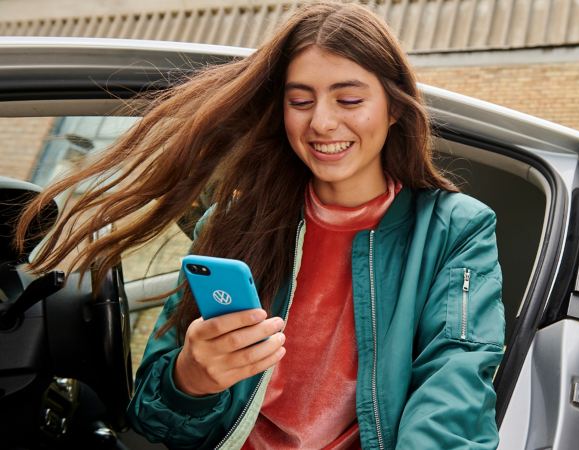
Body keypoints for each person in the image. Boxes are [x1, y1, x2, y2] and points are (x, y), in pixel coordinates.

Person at [17, 2, 505, 449]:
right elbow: (151, 413)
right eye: (300, 101)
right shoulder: (234, 224)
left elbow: (452, 405)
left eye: (349, 100)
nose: (322, 123)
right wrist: (191, 380)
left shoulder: (456, 230)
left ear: (395, 107)